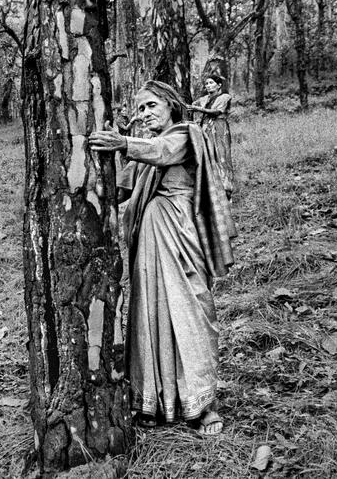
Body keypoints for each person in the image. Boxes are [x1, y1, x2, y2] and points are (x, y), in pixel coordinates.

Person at [89, 80, 236, 436]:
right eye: (139, 109)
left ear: (171, 105)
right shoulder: (142, 154)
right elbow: (120, 188)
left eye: (151, 105)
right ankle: (153, 401)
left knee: (191, 313)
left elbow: (160, 151)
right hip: (149, 243)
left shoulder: (186, 135)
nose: (144, 114)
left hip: (182, 237)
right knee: (149, 315)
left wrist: (123, 143)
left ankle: (202, 404)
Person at [187, 74, 234, 199]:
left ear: (219, 85)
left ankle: (226, 188)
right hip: (206, 128)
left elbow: (217, 112)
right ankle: (209, 188)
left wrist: (198, 109)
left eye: (211, 83)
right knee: (207, 155)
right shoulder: (204, 99)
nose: (208, 86)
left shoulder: (225, 97)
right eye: (206, 83)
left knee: (221, 156)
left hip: (219, 128)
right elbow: (191, 105)